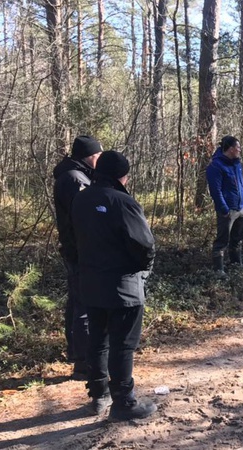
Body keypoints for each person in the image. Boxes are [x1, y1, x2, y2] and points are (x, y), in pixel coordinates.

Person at [72, 151, 157, 420]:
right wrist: (142, 270)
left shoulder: (81, 199)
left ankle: (99, 396)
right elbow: (144, 245)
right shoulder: (123, 202)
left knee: (98, 340)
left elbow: (73, 239)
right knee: (123, 345)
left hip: (91, 283)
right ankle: (124, 402)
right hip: (123, 287)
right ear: (122, 176)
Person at [52, 135, 103, 379]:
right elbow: (83, 216)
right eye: (98, 155)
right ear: (88, 156)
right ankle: (83, 362)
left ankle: (77, 353)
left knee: (77, 301)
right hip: (79, 250)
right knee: (83, 304)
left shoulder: (78, 175)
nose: (100, 159)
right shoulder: (74, 178)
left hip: (78, 248)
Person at [206, 135, 243, 274]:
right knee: (222, 241)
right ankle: (219, 270)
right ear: (231, 149)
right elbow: (215, 190)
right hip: (228, 210)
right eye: (238, 147)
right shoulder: (216, 166)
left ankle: (236, 265)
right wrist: (224, 209)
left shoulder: (237, 164)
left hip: (241, 208)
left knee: (237, 239)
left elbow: (241, 184)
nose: (240, 150)